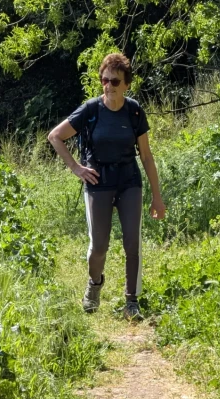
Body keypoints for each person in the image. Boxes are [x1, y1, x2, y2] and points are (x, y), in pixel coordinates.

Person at [48, 53, 165, 320]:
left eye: (114, 81)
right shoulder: (90, 110)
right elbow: (55, 136)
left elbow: (146, 157)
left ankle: (131, 301)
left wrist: (157, 197)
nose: (108, 86)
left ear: (126, 84)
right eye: (104, 80)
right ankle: (95, 283)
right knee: (99, 246)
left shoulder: (134, 111)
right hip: (98, 181)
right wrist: (76, 168)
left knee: (132, 242)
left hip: (128, 181)